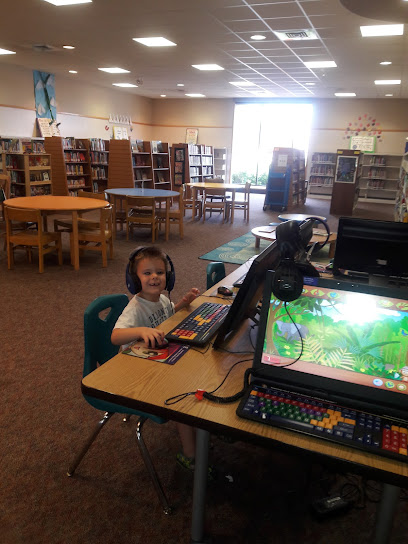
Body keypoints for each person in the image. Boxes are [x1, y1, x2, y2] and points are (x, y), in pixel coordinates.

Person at [111, 246, 201, 471]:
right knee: (181, 396)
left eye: (160, 273)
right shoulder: (135, 308)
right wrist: (141, 331)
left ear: (168, 277)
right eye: (147, 273)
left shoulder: (161, 299)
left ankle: (202, 431)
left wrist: (183, 303)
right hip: (135, 371)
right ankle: (190, 456)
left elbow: (168, 316)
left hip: (154, 359)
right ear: (134, 279)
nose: (154, 277)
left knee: (196, 370)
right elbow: (115, 336)